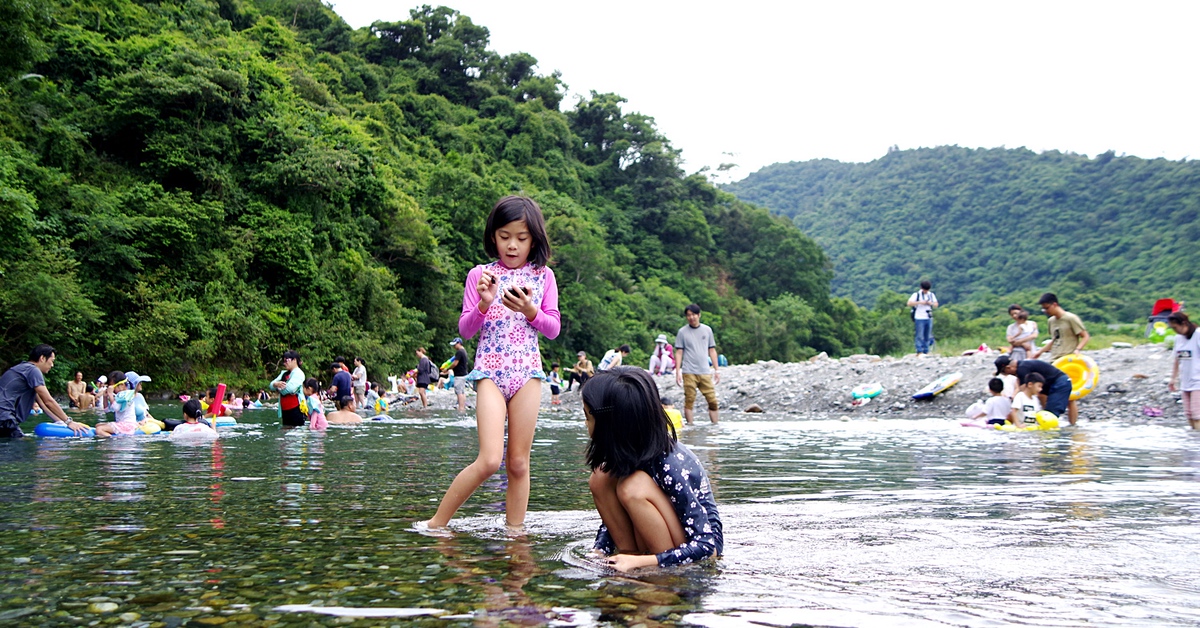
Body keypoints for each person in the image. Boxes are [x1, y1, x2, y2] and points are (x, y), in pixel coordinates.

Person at [427, 195, 560, 530]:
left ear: (534, 239)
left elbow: (554, 328)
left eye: (521, 237)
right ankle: (436, 524)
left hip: (528, 374)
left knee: (518, 463)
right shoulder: (480, 275)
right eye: (504, 236)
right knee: (488, 460)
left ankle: (515, 536)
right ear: (493, 236)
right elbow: (466, 330)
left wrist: (531, 311)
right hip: (489, 373)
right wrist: (484, 303)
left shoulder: (544, 276)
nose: (512, 245)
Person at [583, 367, 722, 571]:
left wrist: (644, 562)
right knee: (601, 476)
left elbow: (707, 547)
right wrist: (600, 551)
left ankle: (659, 576)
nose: (585, 424)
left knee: (633, 486)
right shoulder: (631, 453)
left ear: (611, 424)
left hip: (696, 546)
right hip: (658, 537)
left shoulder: (670, 462)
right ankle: (628, 556)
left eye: (587, 417)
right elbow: (613, 519)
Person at [0, 345, 85, 438]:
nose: (52, 365)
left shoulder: (24, 369)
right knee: (22, 446)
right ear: (42, 358)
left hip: (4, 417)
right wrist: (70, 422)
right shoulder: (33, 370)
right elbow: (48, 401)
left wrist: (61, 422)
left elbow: (44, 406)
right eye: (52, 361)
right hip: (4, 417)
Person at [995, 354, 1075, 425]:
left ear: (1009, 368)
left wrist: (1013, 409)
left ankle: (1056, 432)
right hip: (1055, 382)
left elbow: (1023, 391)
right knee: (1065, 402)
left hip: (1059, 382)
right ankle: (1072, 426)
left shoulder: (1022, 369)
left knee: (1051, 413)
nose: (1007, 374)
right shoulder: (1023, 365)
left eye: (1004, 372)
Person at [674, 303, 721, 425]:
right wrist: (677, 371)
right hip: (689, 370)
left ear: (699, 315)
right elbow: (679, 352)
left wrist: (717, 369)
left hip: (705, 370)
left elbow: (712, 350)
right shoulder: (682, 332)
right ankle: (690, 426)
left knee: (712, 400)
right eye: (689, 315)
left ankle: (715, 426)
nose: (691, 317)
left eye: (694, 314)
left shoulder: (707, 330)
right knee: (689, 400)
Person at [1033, 293, 1090, 361]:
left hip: (1068, 358)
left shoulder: (1071, 318)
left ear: (1054, 304)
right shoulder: (1051, 321)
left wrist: (1077, 349)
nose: (1046, 311)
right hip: (1054, 358)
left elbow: (1085, 336)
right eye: (1044, 309)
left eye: (1047, 308)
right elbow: (1055, 340)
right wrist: (1039, 352)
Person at [1168, 311, 1200, 430]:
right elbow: (1177, 359)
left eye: (1175, 327)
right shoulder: (1178, 338)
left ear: (1184, 323)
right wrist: (1173, 378)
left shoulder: (1198, 335)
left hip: (1198, 381)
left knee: (1197, 415)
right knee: (1189, 415)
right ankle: (1192, 443)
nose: (1175, 331)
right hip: (1185, 381)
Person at [269, 350, 306, 427]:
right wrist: (276, 384)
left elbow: (289, 389)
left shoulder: (299, 373)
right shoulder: (284, 373)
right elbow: (271, 385)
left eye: (286, 361)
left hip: (296, 408)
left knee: (296, 432)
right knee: (285, 433)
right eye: (284, 361)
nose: (284, 363)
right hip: (285, 409)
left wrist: (277, 388)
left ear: (294, 360)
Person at [906, 280, 939, 355]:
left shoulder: (931, 295)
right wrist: (920, 302)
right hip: (919, 317)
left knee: (927, 335)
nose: (926, 291)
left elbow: (936, 304)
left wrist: (930, 303)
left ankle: (926, 350)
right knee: (919, 335)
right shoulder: (916, 295)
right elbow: (909, 303)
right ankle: (919, 350)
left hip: (928, 317)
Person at [445, 338, 470, 412]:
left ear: (459, 343)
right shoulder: (464, 351)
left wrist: (447, 369)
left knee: (459, 391)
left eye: (455, 344)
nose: (454, 347)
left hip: (459, 375)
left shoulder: (459, 352)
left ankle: (461, 407)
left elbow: (455, 363)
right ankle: (463, 407)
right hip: (464, 374)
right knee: (462, 391)